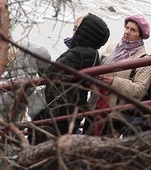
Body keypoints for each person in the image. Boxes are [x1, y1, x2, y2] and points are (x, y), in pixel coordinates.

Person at [31, 13, 110, 141]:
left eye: (77, 27)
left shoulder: (79, 53)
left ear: (85, 31)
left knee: (41, 140)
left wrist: (35, 60)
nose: (74, 30)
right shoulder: (93, 53)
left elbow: (50, 73)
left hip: (60, 108)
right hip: (73, 107)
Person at [89, 15, 151, 136]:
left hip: (116, 114)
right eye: (127, 28)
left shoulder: (143, 59)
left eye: (133, 30)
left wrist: (114, 81)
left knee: (103, 147)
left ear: (140, 35)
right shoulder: (112, 47)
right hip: (95, 103)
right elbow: (96, 66)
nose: (127, 32)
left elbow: (140, 89)